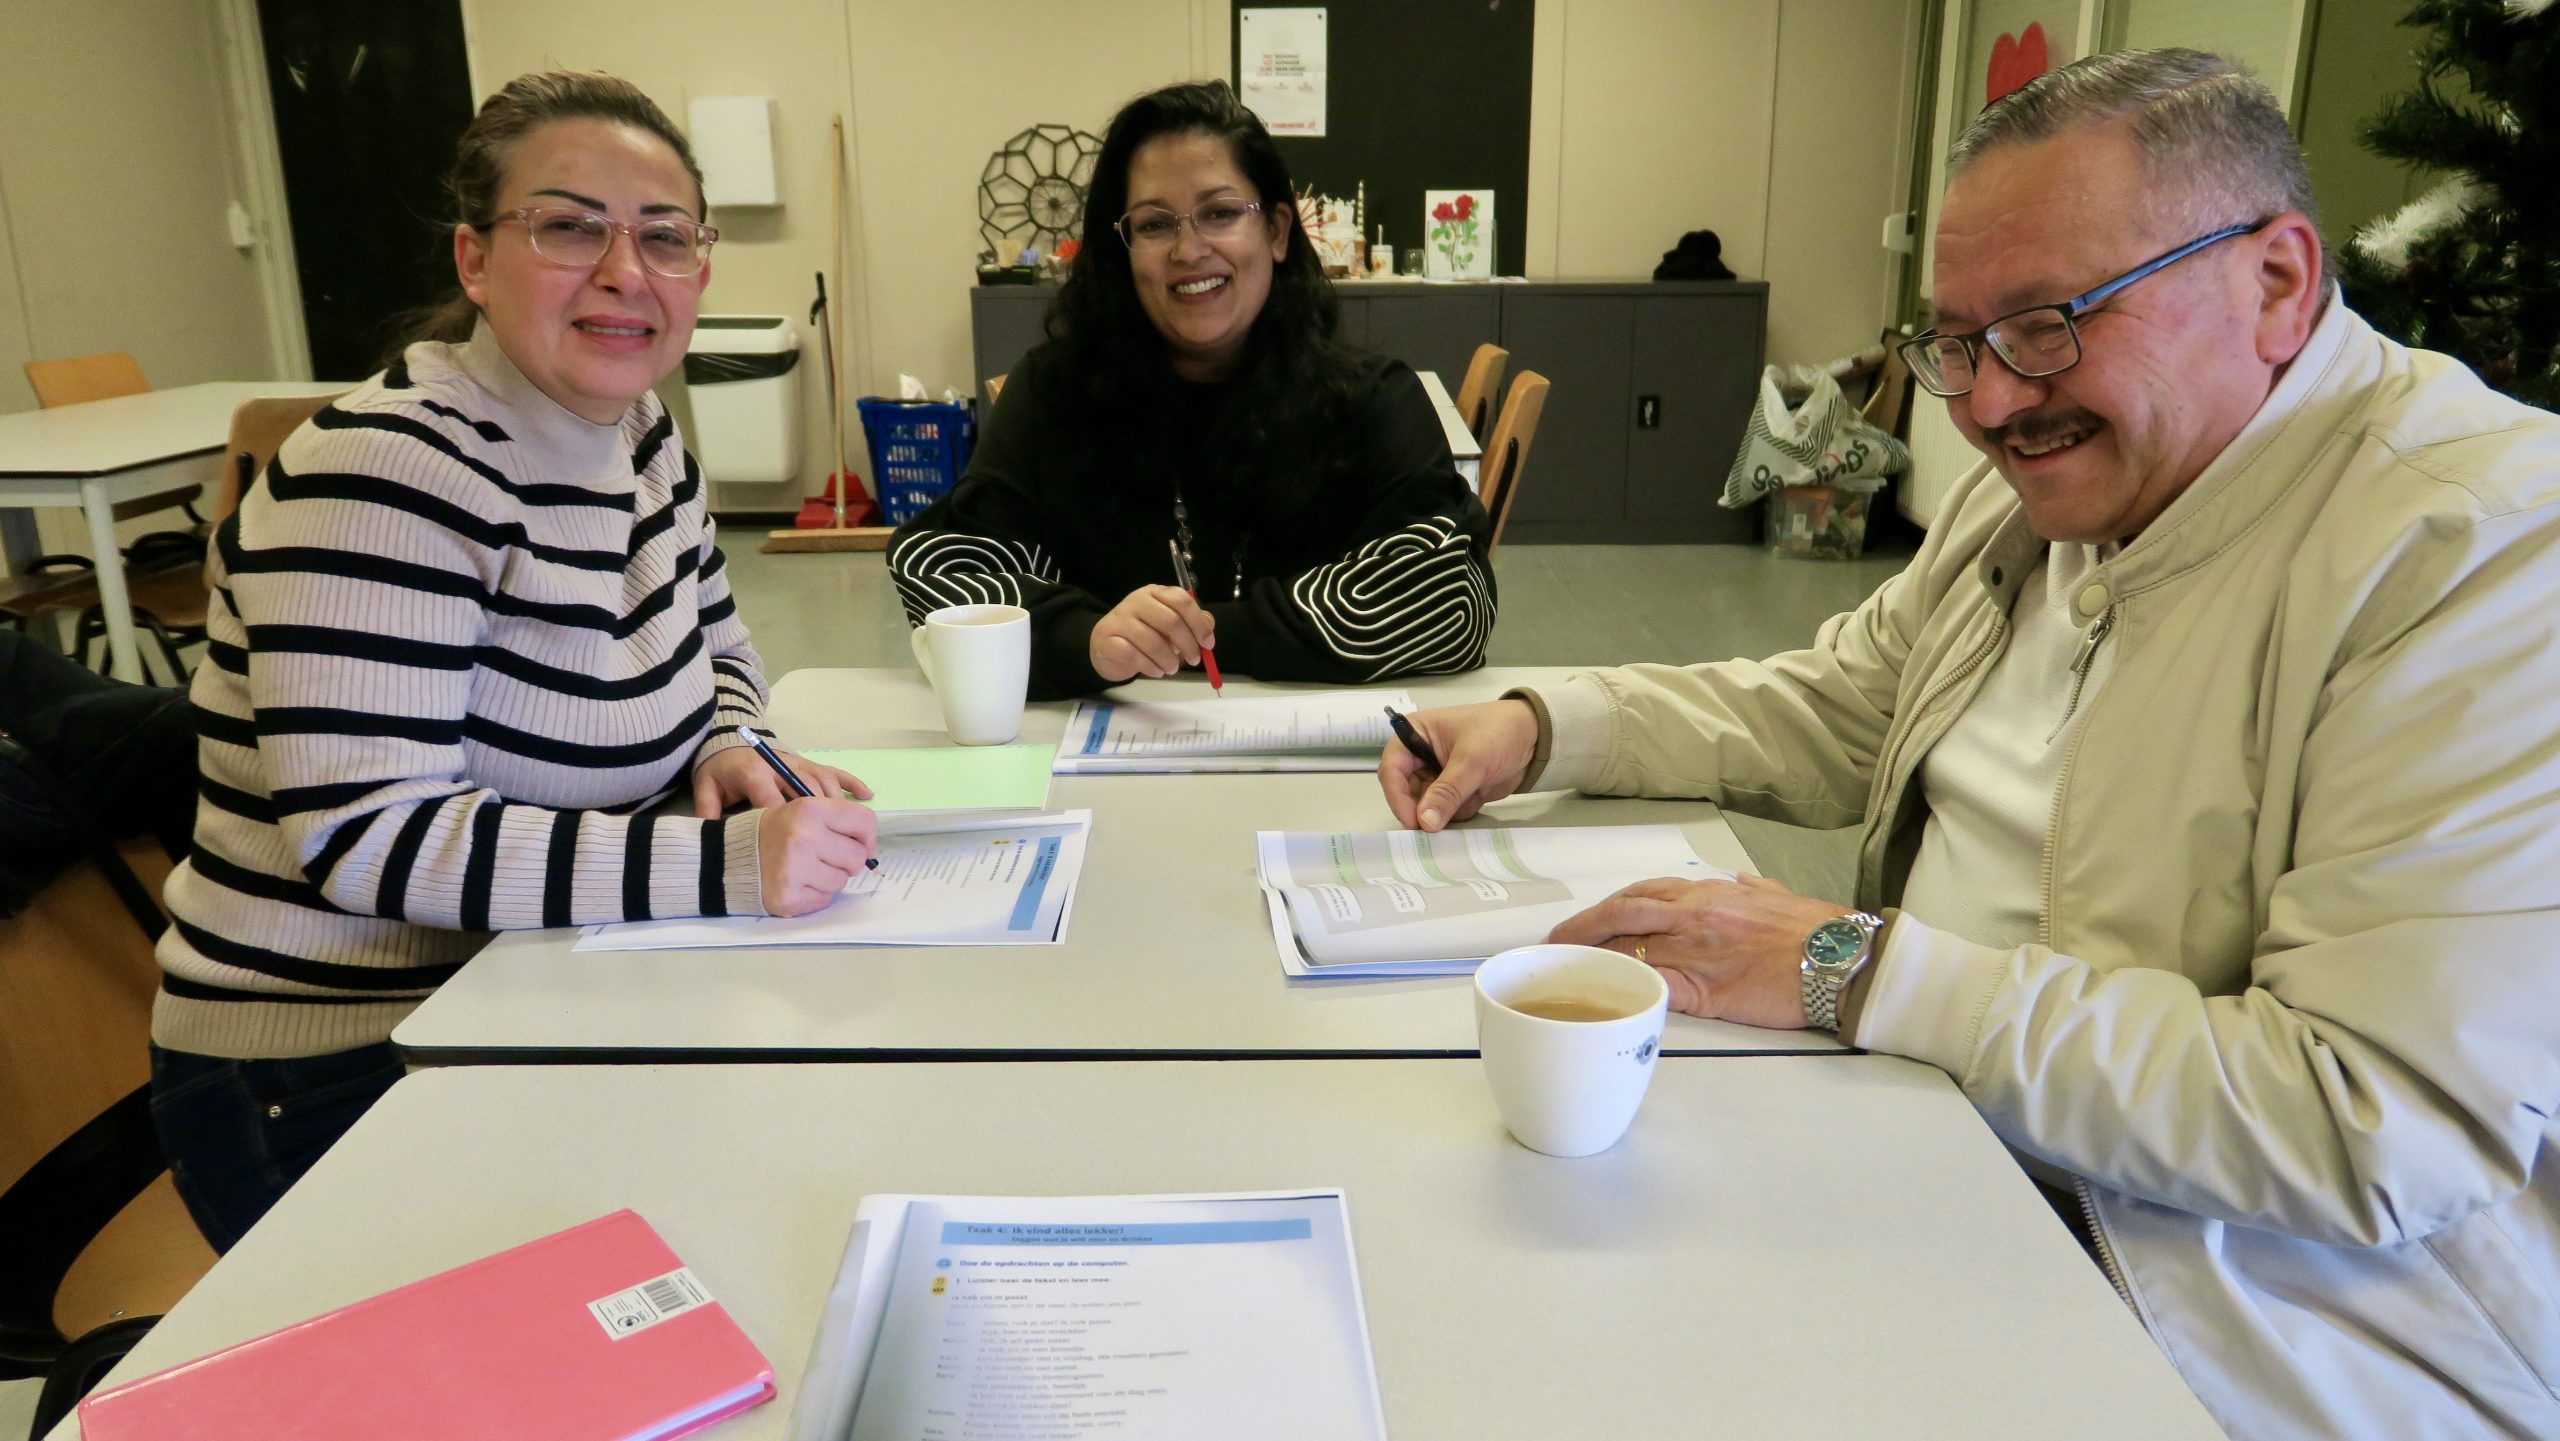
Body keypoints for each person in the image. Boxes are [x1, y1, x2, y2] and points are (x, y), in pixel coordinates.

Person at [1381, 50, 2560, 1441]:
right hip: (1925, 1144)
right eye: (1958, 341)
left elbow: (2368, 1119)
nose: (1993, 404)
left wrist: (1851, 966)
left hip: (2237, 1318)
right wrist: (1544, 724)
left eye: (2052, 322)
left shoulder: (2476, 549)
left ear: (2278, 281)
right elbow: (1833, 707)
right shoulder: (2044, 508)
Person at [149, 71, 879, 1251]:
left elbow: (721, 645)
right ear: (474, 260)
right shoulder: (385, 472)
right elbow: (368, 834)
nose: (623, 271)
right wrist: (726, 864)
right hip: (339, 1066)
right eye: (568, 226)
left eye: (664, 237)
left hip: (540, 991)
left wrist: (733, 737)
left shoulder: (637, 435)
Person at [889, 81, 1494, 699]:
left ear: (1278, 232)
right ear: (1122, 250)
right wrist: (1089, 640)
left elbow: (1450, 599)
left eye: (1221, 213)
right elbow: (946, 571)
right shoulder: (1053, 394)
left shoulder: (1372, 400)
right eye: (1154, 224)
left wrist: (1192, 637)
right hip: (1095, 766)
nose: (1188, 249)